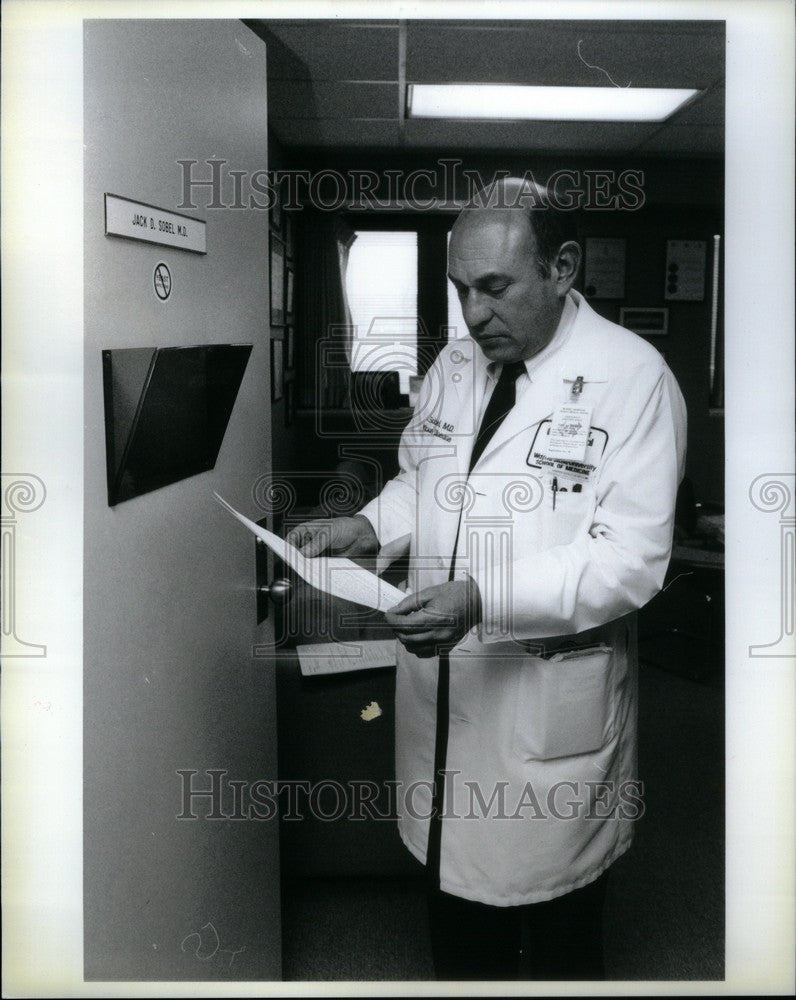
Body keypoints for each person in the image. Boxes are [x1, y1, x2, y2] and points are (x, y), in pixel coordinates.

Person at [287, 178, 687, 980]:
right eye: (460, 288)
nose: (471, 314)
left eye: (495, 288)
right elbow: (420, 479)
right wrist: (368, 525)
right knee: (457, 919)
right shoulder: (456, 365)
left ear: (563, 266)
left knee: (561, 933)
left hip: (545, 708)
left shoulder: (634, 378)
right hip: (440, 697)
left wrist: (480, 598)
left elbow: (629, 558)